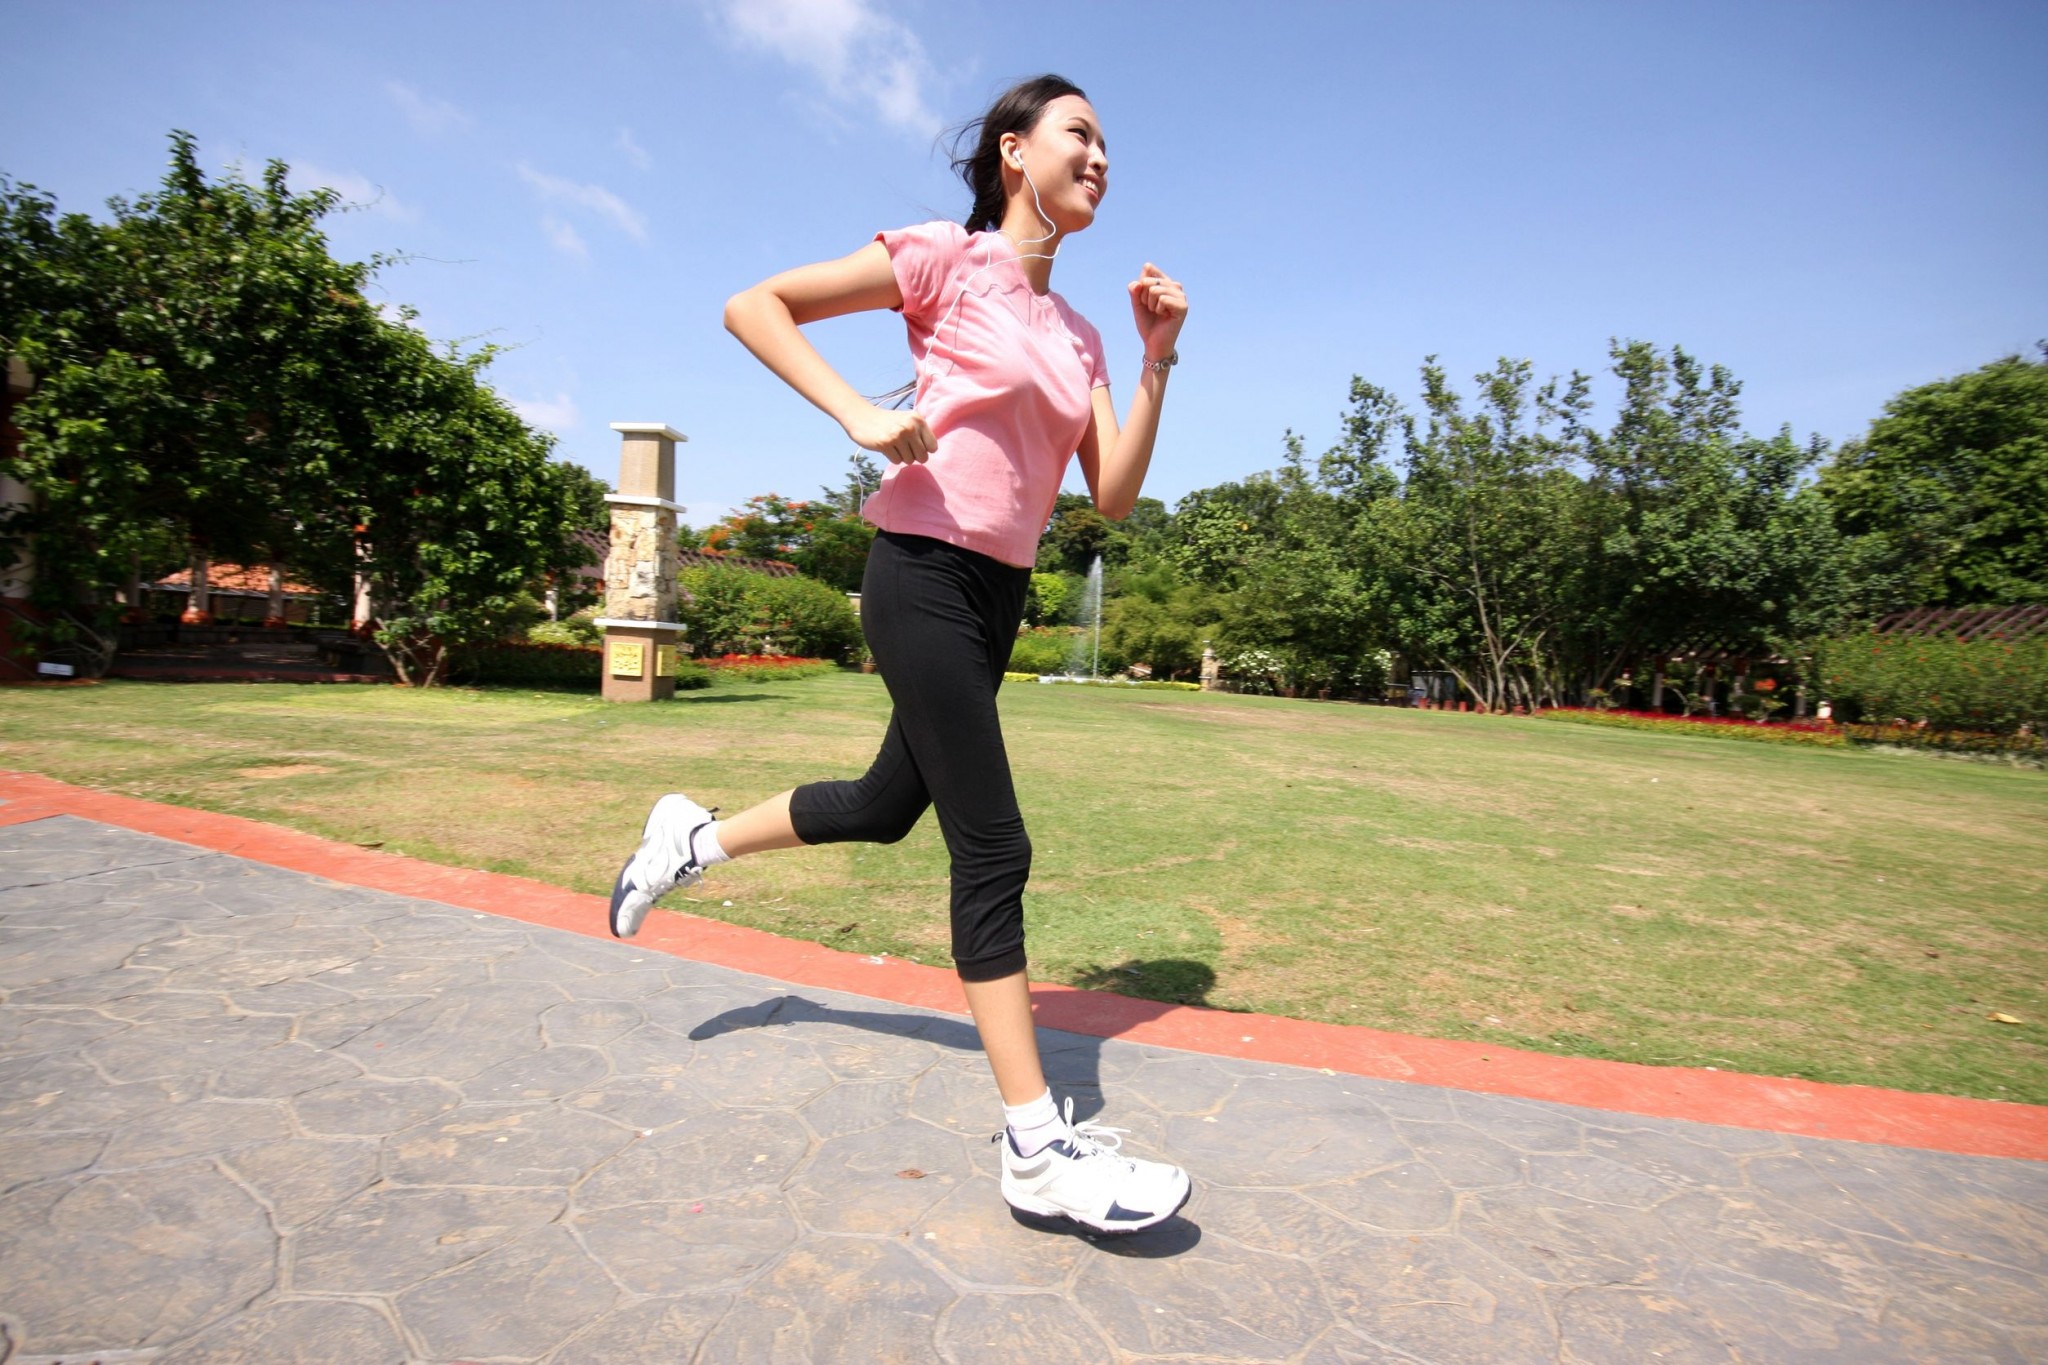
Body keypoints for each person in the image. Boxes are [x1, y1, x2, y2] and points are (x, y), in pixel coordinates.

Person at [608, 75, 1191, 1235]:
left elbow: (1113, 500)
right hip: (919, 571)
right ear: (1014, 153)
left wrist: (1157, 355)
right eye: (1081, 135)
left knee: (884, 805)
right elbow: (754, 304)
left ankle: (691, 838)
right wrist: (858, 416)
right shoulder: (942, 258)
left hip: (998, 595)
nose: (1101, 158)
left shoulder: (1078, 334)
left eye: (1109, 143)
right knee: (994, 844)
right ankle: (1035, 1149)